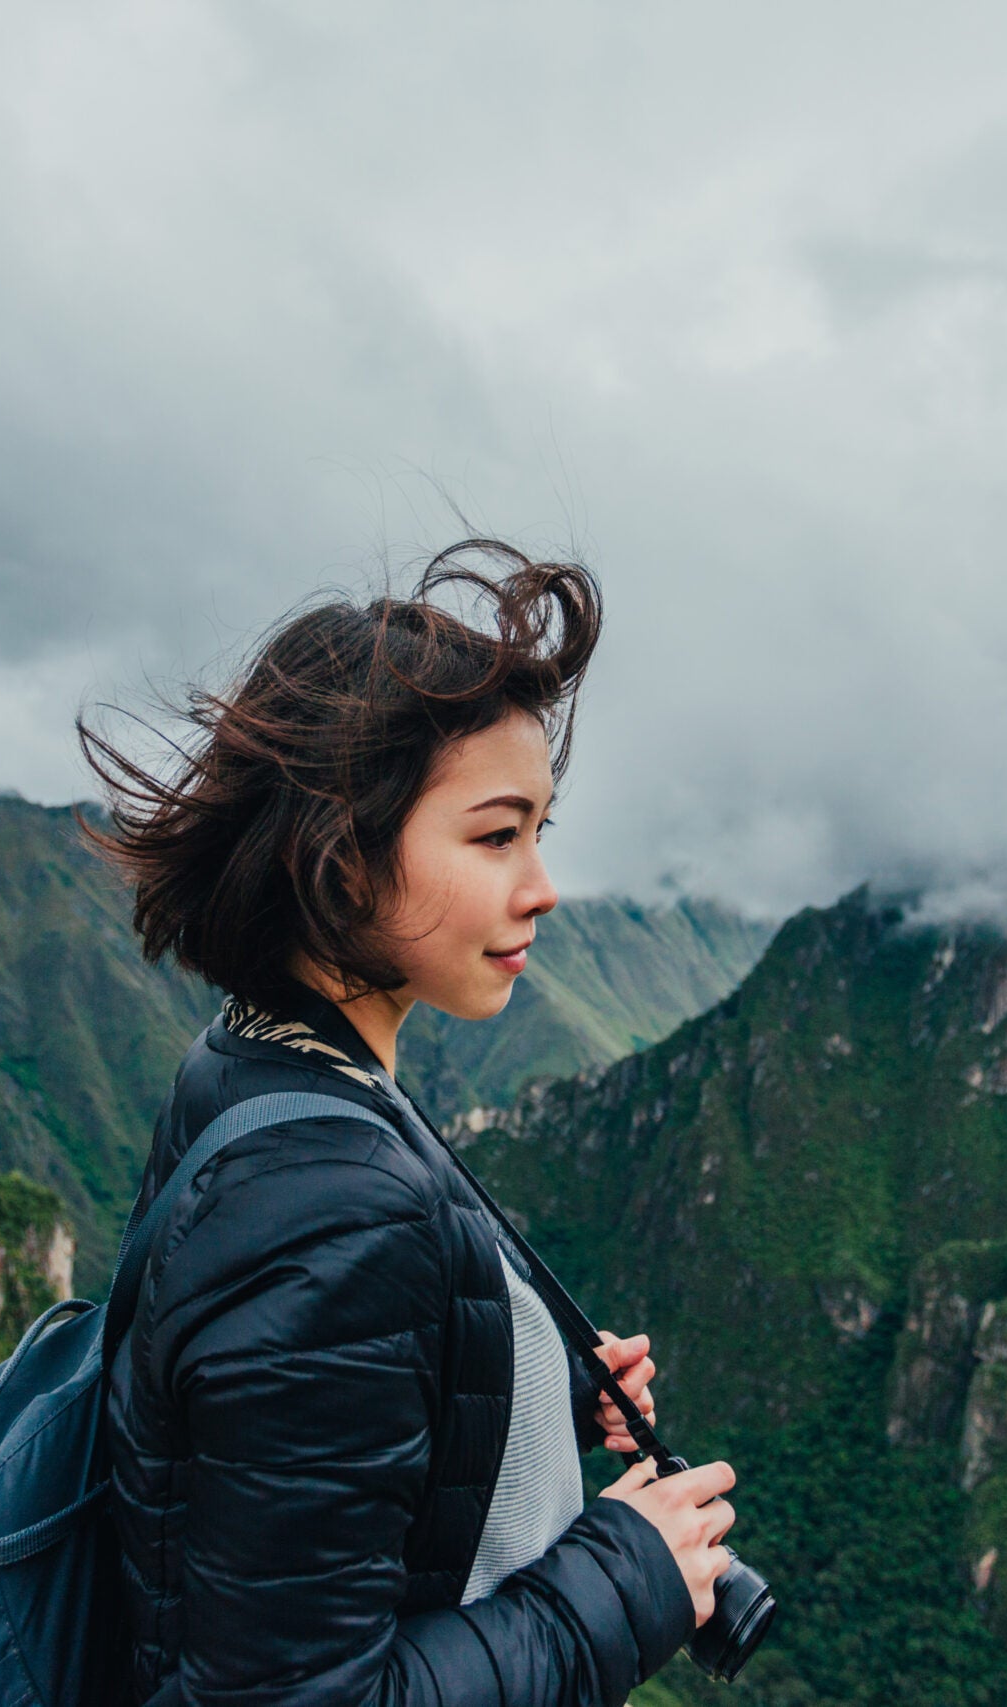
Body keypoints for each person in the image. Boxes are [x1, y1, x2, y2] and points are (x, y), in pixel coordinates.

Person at [81, 542, 739, 1707]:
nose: (539, 886)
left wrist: (519, 1387)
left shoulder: (254, 1061)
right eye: (495, 836)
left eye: (539, 831)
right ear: (339, 858)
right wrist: (630, 1576)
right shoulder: (330, 1212)